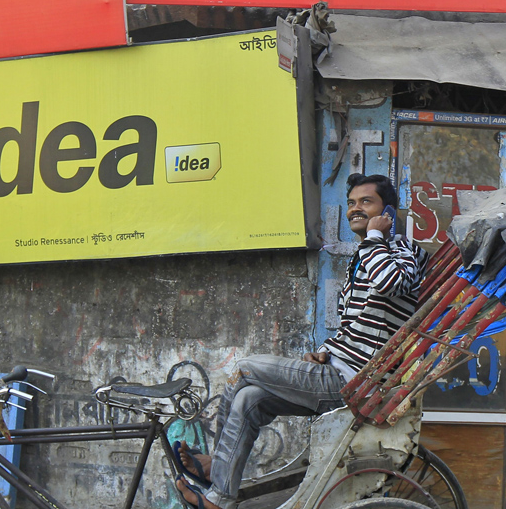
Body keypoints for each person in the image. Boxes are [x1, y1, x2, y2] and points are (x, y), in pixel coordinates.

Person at [175, 173, 427, 509]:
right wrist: (323, 352)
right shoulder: (365, 256)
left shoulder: (402, 249)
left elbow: (388, 283)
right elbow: (352, 329)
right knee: (249, 399)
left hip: (357, 382)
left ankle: (212, 475)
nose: (355, 209)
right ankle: (221, 490)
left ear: (388, 212)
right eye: (351, 203)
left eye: (366, 202)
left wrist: (375, 235)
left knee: (245, 368)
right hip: (337, 369)